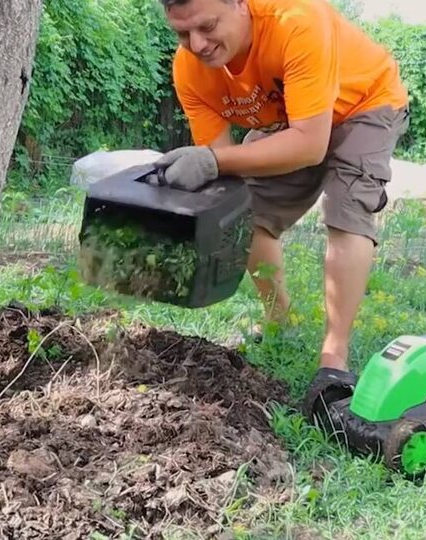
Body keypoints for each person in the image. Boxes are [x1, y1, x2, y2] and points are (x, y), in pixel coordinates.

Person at [153, 0, 410, 417]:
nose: (197, 44)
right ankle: (279, 322)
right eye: (182, 34)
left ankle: (334, 357)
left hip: (364, 103)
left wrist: (213, 161)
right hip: (294, 118)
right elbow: (225, 170)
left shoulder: (296, 21)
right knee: (247, 210)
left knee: (347, 212)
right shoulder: (189, 70)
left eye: (207, 26)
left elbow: (309, 145)